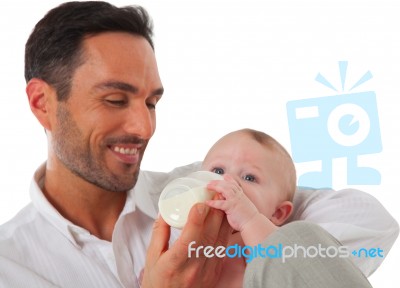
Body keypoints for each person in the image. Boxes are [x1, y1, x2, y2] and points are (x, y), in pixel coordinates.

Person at [0, 1, 397, 288]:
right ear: (42, 103)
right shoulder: (11, 266)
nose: (144, 127)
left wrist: (252, 241)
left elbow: (369, 221)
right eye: (115, 100)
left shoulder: (199, 186)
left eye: (152, 102)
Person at [199, 128, 371, 287]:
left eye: (249, 177)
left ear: (278, 213)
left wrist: (249, 220)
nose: (229, 181)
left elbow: (282, 260)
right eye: (218, 171)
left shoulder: (252, 249)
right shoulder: (185, 241)